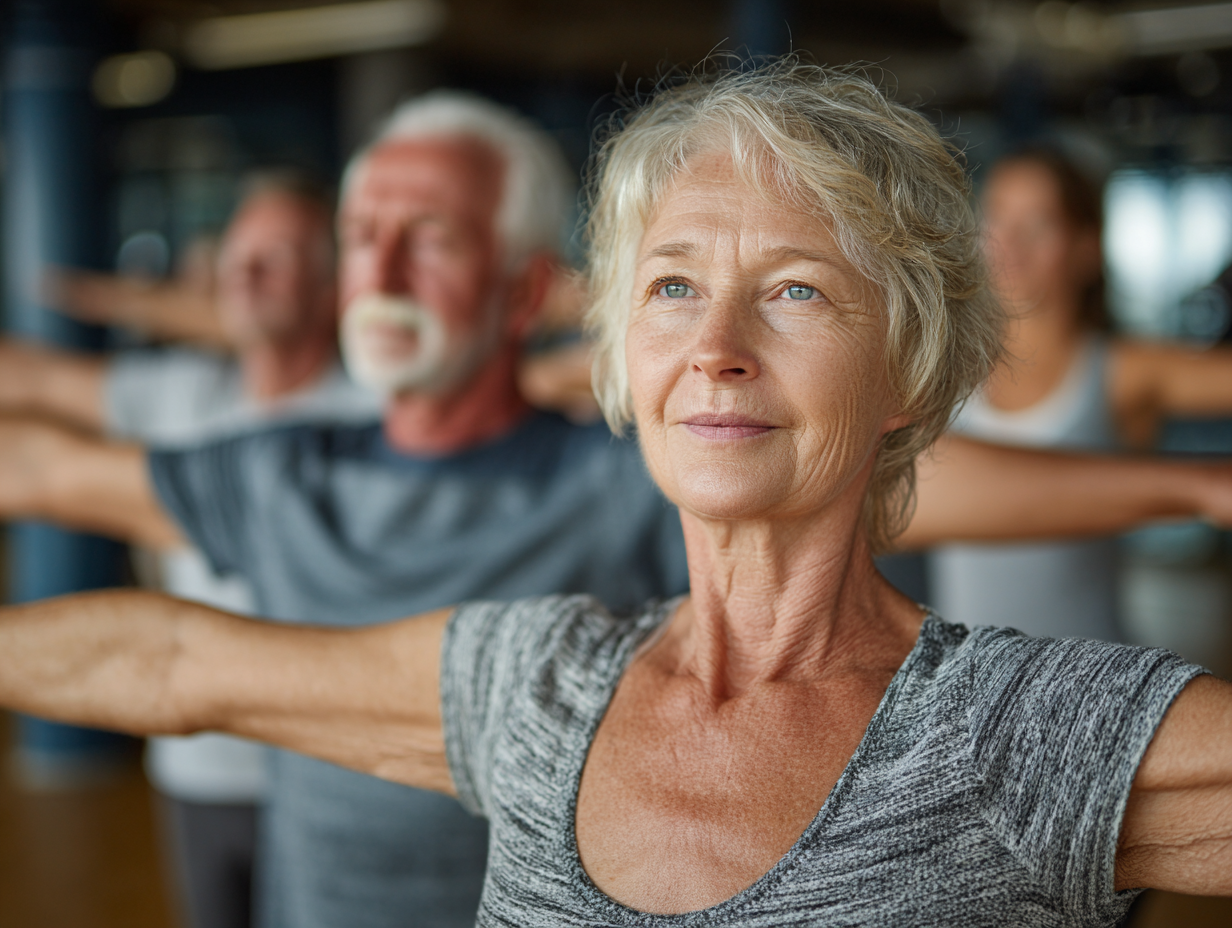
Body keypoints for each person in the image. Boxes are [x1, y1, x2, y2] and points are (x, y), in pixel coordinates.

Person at [0, 61, 1229, 926]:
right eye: (671, 286)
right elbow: (177, 661)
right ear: (623, 361)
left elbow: (942, 484)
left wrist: (1194, 483)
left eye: (795, 288)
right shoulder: (535, 680)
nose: (716, 346)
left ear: (907, 374)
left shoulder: (1017, 731)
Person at [0, 172, 379, 928]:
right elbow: (33, 381)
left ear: (330, 282)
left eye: (276, 255)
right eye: (237, 252)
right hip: (198, 763)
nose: (245, 271)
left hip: (331, 768)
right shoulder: (180, 393)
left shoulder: (376, 413)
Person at [930, 147, 1232, 641]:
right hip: (973, 690)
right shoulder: (947, 372)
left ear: (1086, 248)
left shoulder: (1120, 371)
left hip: (1092, 681)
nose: (1009, 245)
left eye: (1039, 225)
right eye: (997, 219)